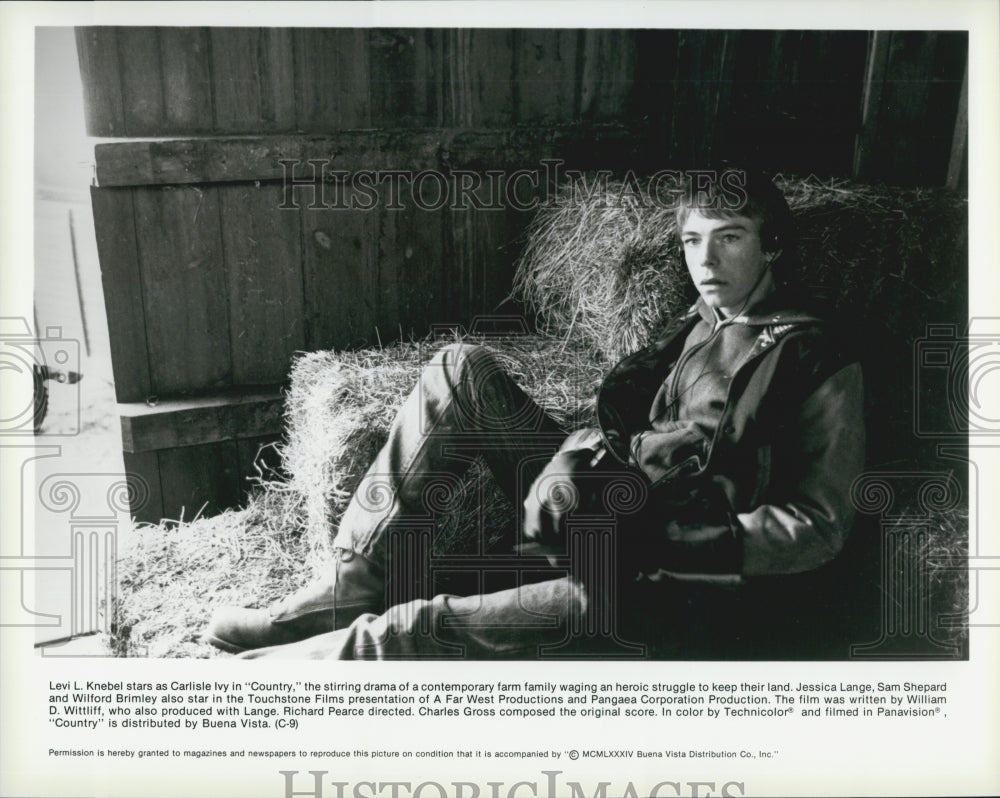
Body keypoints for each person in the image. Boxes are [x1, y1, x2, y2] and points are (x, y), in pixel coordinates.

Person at [201, 167, 865, 659]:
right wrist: (571, 462)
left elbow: (818, 525)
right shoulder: (695, 320)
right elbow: (629, 427)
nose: (706, 262)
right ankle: (342, 591)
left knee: (420, 627)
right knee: (458, 370)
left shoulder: (814, 354)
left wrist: (657, 543)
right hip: (602, 506)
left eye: (731, 239)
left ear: (772, 245)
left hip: (659, 577)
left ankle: (259, 681)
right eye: (693, 242)